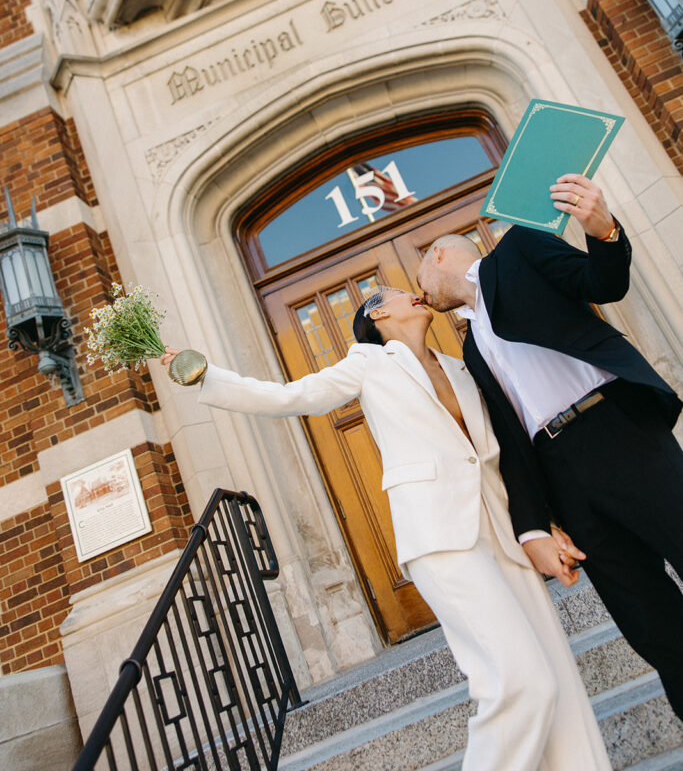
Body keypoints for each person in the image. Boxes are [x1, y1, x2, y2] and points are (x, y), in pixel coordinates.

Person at [162, 286, 611, 771]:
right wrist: (207, 375)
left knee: (556, 673)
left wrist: (542, 524)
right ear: (377, 313)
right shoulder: (368, 363)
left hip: (503, 530)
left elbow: (507, 455)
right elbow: (292, 396)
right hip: (440, 537)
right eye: (397, 293)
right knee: (519, 681)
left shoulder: (461, 364)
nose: (414, 293)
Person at [417, 172, 683, 721]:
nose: (419, 292)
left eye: (419, 276)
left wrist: (601, 229)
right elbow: (511, 443)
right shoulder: (470, 351)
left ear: (440, 254)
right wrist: (534, 525)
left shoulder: (518, 249)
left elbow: (599, 282)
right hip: (564, 477)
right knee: (651, 626)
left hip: (617, 433)